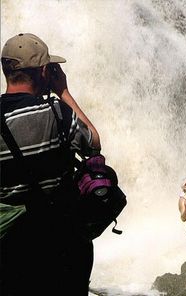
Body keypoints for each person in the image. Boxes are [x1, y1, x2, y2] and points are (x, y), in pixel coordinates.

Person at [0, 33, 100, 295]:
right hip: (60, 246)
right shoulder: (58, 113)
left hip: (9, 250)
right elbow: (93, 142)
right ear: (44, 72)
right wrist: (64, 92)